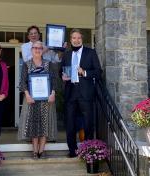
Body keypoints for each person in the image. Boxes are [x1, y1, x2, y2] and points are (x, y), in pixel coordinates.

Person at [61, 29, 102, 157]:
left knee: (88, 122)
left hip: (86, 92)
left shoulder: (91, 53)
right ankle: (72, 150)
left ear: (82, 39)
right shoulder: (67, 54)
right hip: (71, 92)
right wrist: (62, 76)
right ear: (71, 39)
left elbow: (98, 72)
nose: (76, 40)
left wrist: (84, 72)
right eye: (74, 38)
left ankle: (89, 151)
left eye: (79, 38)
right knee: (70, 123)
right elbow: (61, 72)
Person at [18, 41, 57, 159]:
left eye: (40, 48)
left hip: (47, 99)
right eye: (35, 48)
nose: (37, 50)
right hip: (31, 99)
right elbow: (23, 82)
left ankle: (42, 150)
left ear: (43, 50)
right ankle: (34, 150)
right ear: (31, 50)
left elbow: (54, 80)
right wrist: (27, 95)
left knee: (45, 123)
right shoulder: (26, 64)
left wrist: (53, 93)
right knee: (34, 123)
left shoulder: (48, 64)